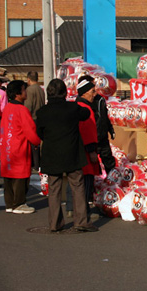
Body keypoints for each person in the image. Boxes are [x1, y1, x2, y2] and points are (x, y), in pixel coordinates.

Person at [35, 78, 98, 233]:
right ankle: (81, 221)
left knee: (54, 189)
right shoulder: (73, 108)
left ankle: (54, 223)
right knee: (77, 186)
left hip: (52, 154)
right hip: (72, 153)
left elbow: (40, 133)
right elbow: (85, 114)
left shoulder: (42, 112)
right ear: (64, 92)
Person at [0, 80, 41, 214]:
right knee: (20, 177)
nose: (26, 92)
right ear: (18, 93)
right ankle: (19, 203)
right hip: (19, 147)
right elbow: (30, 131)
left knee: (9, 176)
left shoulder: (8, 107)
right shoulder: (22, 109)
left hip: (7, 146)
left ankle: (10, 203)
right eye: (24, 89)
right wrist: (36, 141)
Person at [75, 76, 100, 221]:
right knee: (85, 183)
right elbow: (88, 132)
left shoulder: (76, 105)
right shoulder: (86, 109)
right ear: (84, 93)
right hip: (85, 152)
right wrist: (92, 151)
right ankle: (84, 214)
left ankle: (76, 210)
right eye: (92, 91)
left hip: (77, 151)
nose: (94, 93)